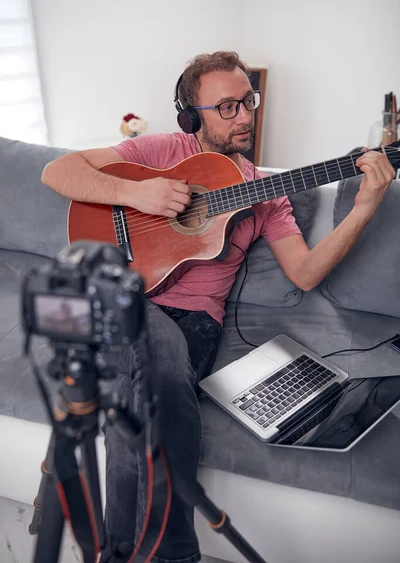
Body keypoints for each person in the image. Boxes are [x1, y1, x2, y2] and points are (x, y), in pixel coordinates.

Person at [41, 51, 394, 562]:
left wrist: (364, 208)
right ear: (192, 115)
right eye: (227, 106)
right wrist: (136, 194)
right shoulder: (163, 150)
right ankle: (171, 553)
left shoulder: (266, 194)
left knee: (145, 388)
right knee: (154, 360)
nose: (246, 115)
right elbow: (59, 171)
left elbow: (305, 272)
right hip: (117, 297)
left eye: (248, 101)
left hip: (191, 325)